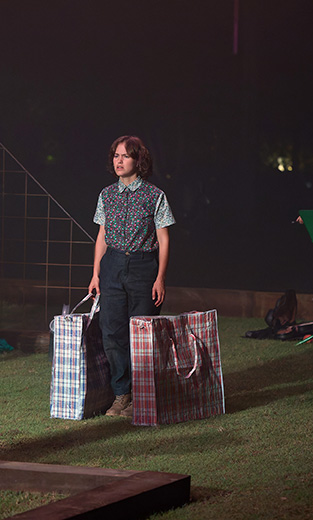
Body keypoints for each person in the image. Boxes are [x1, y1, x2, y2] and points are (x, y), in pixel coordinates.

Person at [88, 135, 175, 418]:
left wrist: (160, 277)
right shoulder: (106, 194)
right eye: (116, 155)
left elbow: (163, 237)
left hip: (142, 266)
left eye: (125, 156)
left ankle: (143, 395)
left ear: (138, 160)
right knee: (112, 332)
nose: (119, 161)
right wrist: (96, 274)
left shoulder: (154, 195)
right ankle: (121, 395)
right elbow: (101, 236)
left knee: (142, 333)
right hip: (112, 264)